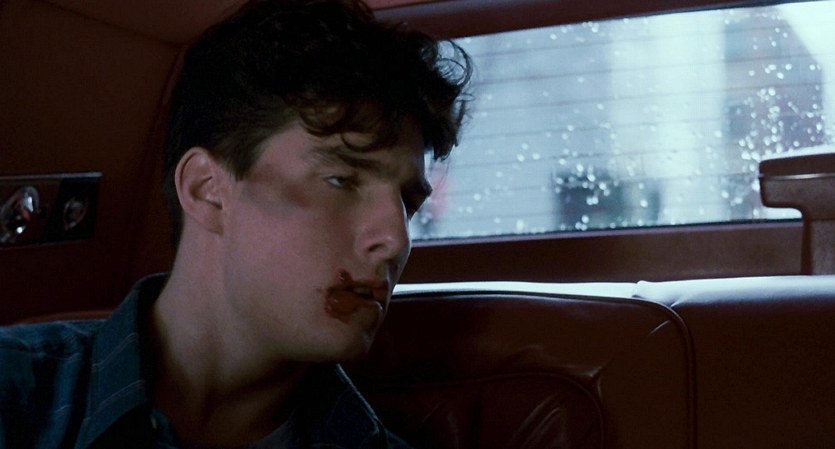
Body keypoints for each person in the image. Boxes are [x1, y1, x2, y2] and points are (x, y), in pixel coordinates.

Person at [0, 0, 471, 447]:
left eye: (408, 203)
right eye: (340, 180)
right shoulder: (15, 391)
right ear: (207, 189)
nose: (395, 240)